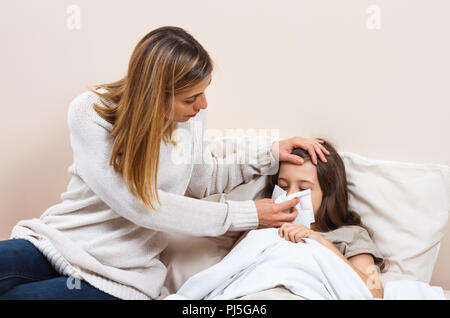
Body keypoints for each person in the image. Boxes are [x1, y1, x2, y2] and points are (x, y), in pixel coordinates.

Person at [0, 26, 329, 300]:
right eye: (191, 98)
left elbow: (201, 181)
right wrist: (247, 215)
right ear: (155, 94)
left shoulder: (191, 118)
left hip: (121, 275)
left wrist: (268, 153)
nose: (203, 104)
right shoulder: (90, 112)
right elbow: (137, 203)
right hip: (56, 243)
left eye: (204, 92)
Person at [230, 139, 385, 299]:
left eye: (303, 189)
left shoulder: (350, 235)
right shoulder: (263, 227)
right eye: (283, 186)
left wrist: (320, 243)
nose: (290, 196)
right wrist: (261, 227)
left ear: (328, 193)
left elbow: (374, 293)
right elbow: (227, 270)